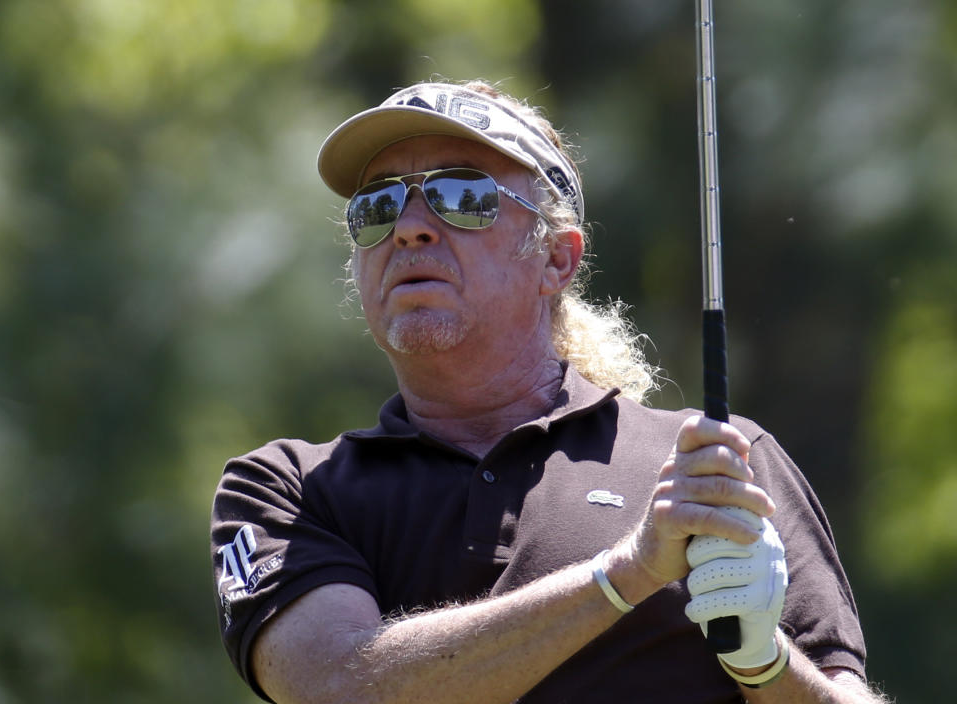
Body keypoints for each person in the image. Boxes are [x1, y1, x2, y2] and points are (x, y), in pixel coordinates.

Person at [211, 79, 888, 703]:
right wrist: (628, 572)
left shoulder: (711, 462)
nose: (410, 226)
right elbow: (336, 687)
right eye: (379, 204)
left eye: (461, 196)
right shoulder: (289, 488)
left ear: (557, 258)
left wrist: (764, 663)